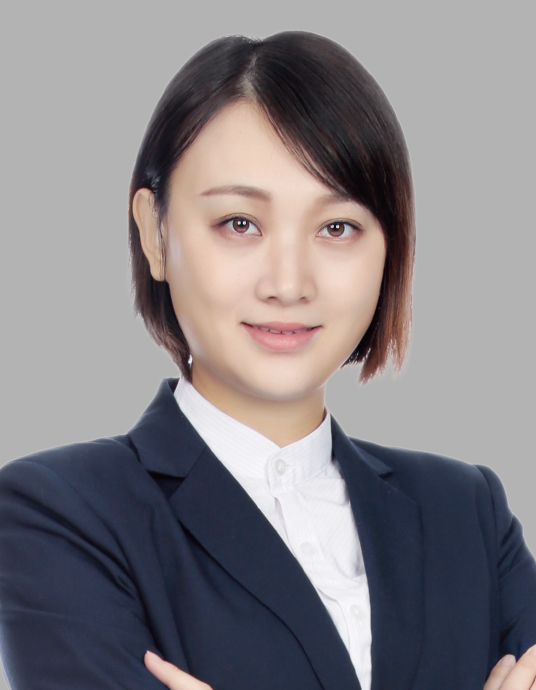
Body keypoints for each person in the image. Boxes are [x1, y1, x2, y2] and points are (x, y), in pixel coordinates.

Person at [0, 30, 535, 690]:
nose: (288, 283)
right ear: (154, 233)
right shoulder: (60, 513)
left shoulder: (466, 512)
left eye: (337, 227)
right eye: (240, 224)